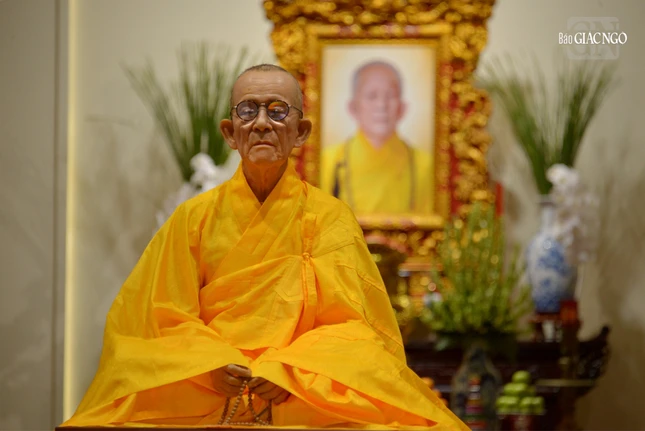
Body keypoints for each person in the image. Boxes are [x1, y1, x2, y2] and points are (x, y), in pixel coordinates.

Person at [60, 64, 465, 430]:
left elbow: (354, 327)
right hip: (207, 389)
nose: (261, 124)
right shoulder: (193, 218)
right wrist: (209, 365)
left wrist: (290, 369)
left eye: (277, 111)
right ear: (229, 133)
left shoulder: (330, 218)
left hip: (302, 392)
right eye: (248, 110)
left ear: (301, 132)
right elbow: (159, 318)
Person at [321, 60, 434, 215]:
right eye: (371, 96)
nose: (381, 105)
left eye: (390, 96)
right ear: (353, 107)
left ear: (402, 108)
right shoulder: (328, 162)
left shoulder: (425, 165)